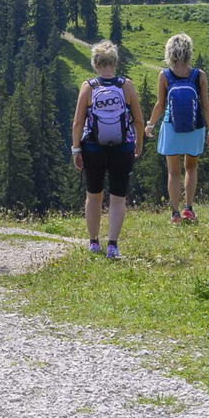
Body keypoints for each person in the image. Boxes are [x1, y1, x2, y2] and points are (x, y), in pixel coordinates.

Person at [69, 40, 145, 259]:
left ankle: (94, 242)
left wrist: (76, 149)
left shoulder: (89, 87)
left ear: (95, 63)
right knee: (118, 197)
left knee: (93, 195)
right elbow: (138, 120)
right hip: (122, 147)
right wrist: (138, 142)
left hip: (93, 147)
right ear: (115, 62)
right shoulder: (126, 85)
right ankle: (112, 245)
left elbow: (77, 122)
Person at [149, 32, 209, 223]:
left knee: (173, 171)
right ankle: (189, 209)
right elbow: (206, 105)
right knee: (191, 168)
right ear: (189, 52)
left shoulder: (165, 75)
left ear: (170, 52)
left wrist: (150, 124)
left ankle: (175, 213)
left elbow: (160, 105)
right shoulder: (199, 75)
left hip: (171, 126)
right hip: (195, 127)